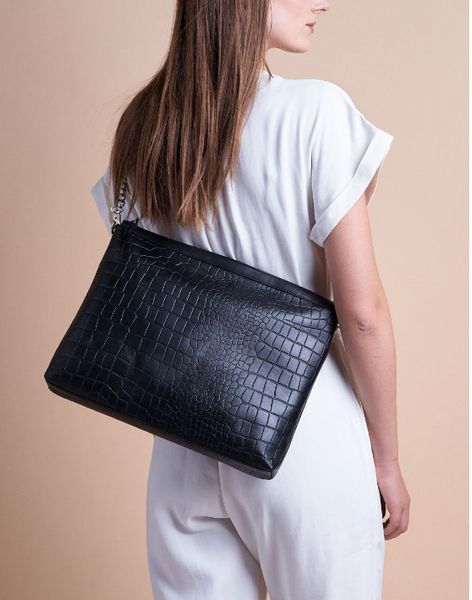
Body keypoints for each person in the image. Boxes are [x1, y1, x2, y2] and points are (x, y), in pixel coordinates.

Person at [91, 1, 411, 598]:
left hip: (181, 446)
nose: (322, 1)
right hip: (305, 436)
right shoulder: (316, 111)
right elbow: (362, 314)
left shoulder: (144, 125)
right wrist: (386, 460)